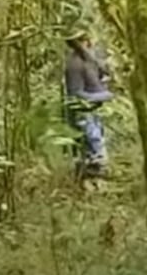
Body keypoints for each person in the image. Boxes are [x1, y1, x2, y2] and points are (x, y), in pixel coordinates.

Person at [63, 23, 114, 178]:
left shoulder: (90, 58)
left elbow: (102, 75)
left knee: (98, 140)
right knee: (92, 145)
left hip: (94, 110)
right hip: (84, 113)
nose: (87, 43)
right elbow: (76, 94)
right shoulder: (74, 65)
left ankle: (97, 170)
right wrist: (104, 96)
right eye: (82, 40)